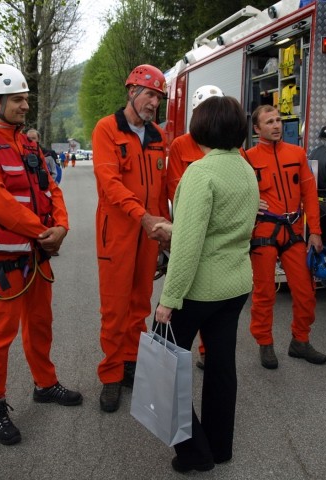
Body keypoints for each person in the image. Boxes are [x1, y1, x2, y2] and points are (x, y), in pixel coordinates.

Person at [0, 64, 82, 446]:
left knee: (40, 325)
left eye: (26, 98)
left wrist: (61, 226)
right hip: (1, 260)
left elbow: (51, 189)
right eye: (17, 99)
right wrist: (43, 232)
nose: (25, 106)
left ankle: (45, 384)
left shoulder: (29, 145)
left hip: (36, 258)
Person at [154, 95, 259, 473]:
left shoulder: (200, 172)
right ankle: (219, 446)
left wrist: (169, 298)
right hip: (235, 284)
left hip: (199, 287)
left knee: (165, 367)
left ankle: (194, 452)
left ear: (202, 128)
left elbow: (188, 244)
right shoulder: (246, 168)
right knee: (221, 366)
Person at [92, 64, 171, 413]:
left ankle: (129, 362)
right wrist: (144, 217)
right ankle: (110, 375)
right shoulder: (107, 129)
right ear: (131, 91)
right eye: (149, 94)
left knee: (140, 303)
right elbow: (110, 184)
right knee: (115, 307)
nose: (153, 102)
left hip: (150, 233)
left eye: (158, 97)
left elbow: (163, 186)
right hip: (119, 233)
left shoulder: (158, 136)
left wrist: (168, 227)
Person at [245, 105, 326, 369]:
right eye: (269, 122)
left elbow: (309, 194)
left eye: (279, 120)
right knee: (264, 292)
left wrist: (315, 230)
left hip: (293, 230)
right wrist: (250, 201)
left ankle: (300, 341)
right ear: (257, 129)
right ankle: (265, 343)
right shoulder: (247, 158)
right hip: (264, 231)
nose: (277, 125)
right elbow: (237, 192)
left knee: (305, 292)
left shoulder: (297, 153)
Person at [166, 84, 225, 370]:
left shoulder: (230, 144)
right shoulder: (181, 145)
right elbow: (176, 188)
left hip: (217, 234)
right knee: (189, 293)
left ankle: (207, 350)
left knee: (214, 294)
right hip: (191, 227)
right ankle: (177, 358)